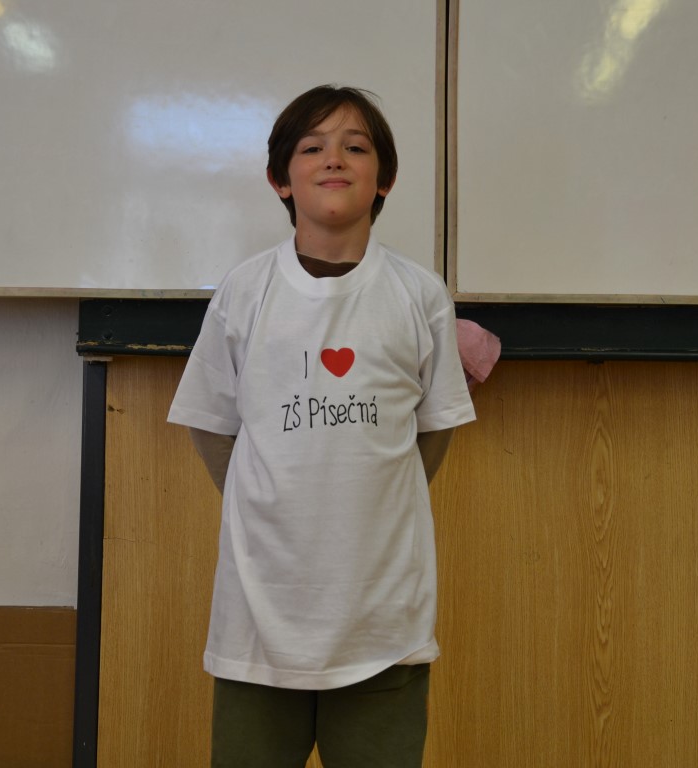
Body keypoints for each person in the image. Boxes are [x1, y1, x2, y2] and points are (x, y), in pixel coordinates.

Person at [167, 84, 476, 767]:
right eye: (312, 147)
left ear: (384, 178)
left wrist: (372, 501)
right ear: (280, 178)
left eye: (355, 147)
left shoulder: (419, 294)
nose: (334, 159)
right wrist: (266, 503)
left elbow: (433, 430)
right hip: (259, 621)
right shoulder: (245, 291)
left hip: (382, 622)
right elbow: (212, 424)